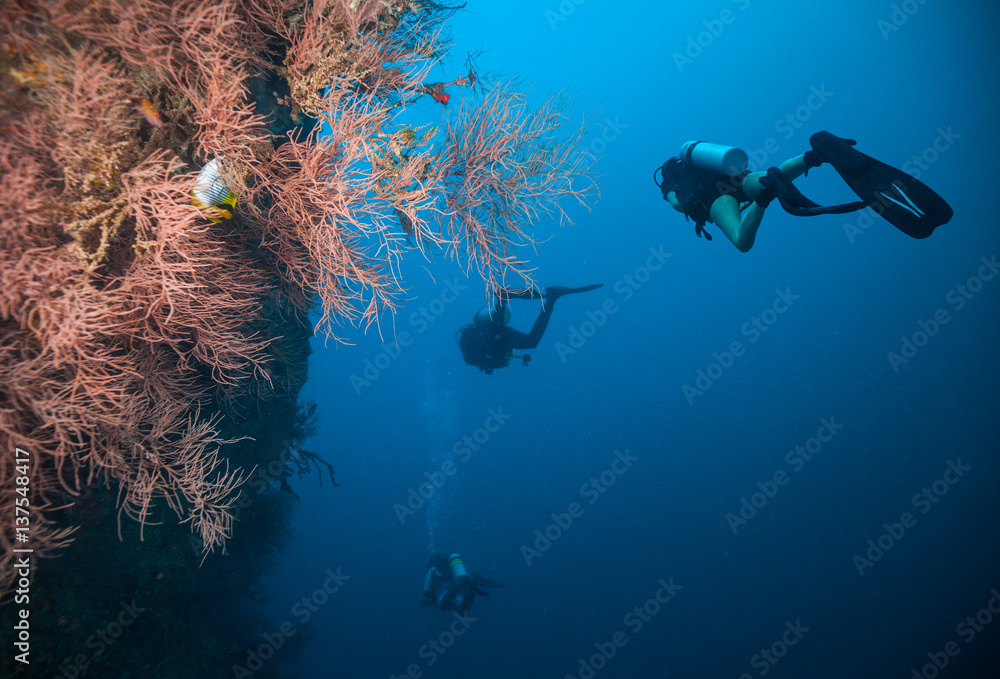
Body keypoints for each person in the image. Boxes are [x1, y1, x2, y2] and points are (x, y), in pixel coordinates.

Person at [654, 132, 953, 252]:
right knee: (773, 175)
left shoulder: (670, 182)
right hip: (736, 177)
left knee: (742, 240)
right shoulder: (698, 158)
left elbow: (679, 205)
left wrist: (681, 201)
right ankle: (813, 157)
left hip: (715, 197)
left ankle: (766, 195)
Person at [456, 284, 603, 374]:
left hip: (492, 336)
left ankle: (506, 298)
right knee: (529, 341)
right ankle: (549, 298)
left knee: (526, 340)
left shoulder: (481, 358)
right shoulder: (477, 356)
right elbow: (501, 353)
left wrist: (499, 358)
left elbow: (496, 356)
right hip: (495, 336)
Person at [419, 553, 503, 616]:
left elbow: (426, 592)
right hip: (460, 583)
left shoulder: (432, 569)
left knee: (446, 607)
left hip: (452, 588)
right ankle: (473, 582)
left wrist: (428, 601)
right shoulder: (449, 568)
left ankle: (472, 583)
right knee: (461, 611)